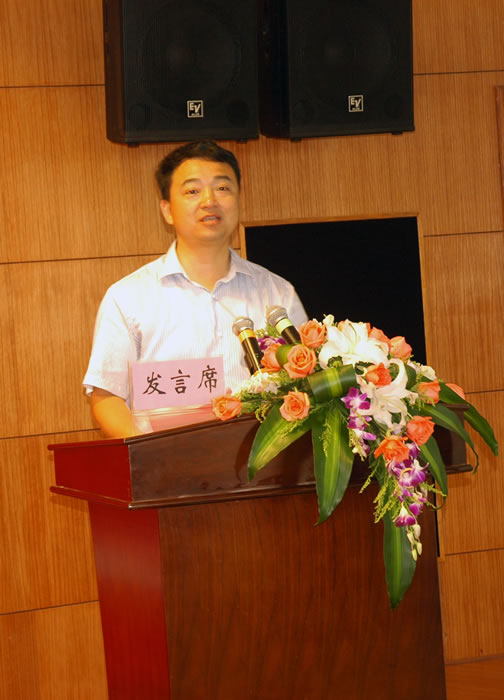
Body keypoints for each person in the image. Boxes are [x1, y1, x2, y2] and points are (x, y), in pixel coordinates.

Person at [83, 139, 307, 437]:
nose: (209, 200)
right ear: (167, 210)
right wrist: (151, 457)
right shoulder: (128, 298)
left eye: (223, 188)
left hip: (263, 462)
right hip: (165, 462)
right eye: (192, 191)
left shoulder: (278, 294)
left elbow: (307, 384)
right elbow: (106, 396)